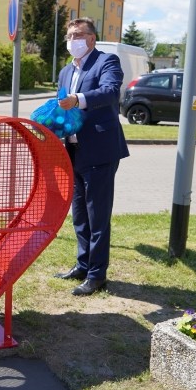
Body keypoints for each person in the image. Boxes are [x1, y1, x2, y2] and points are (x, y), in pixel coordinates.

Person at [53, 18, 129, 296]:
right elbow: (61, 106)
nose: (73, 39)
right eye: (69, 35)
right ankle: (83, 265)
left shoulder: (106, 62)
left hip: (100, 149)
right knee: (80, 215)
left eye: (79, 34)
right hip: (73, 150)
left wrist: (78, 98)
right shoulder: (64, 71)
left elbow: (109, 92)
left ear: (92, 38)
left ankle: (98, 275)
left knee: (98, 217)